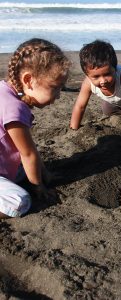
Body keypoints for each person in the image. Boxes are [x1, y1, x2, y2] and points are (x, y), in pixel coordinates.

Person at [0, 38, 70, 219]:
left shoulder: (4, 91)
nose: (59, 96)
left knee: (29, 170)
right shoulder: (14, 107)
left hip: (5, 164)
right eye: (55, 88)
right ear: (29, 80)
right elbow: (28, 154)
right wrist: (38, 186)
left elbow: (28, 150)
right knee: (20, 201)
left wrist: (43, 172)